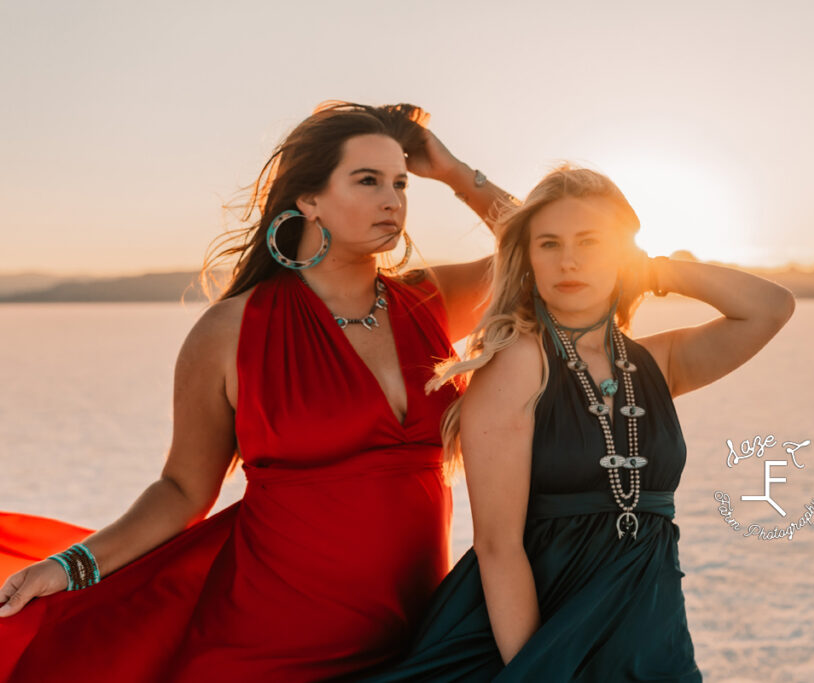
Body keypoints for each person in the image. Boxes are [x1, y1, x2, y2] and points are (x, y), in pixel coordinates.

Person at [0, 101, 515, 681]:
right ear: (309, 198)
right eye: (367, 180)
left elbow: (552, 253)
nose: (393, 199)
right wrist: (73, 567)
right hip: (269, 646)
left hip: (417, 640)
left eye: (399, 182)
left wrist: (451, 171)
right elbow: (181, 490)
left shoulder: (428, 303)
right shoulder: (230, 332)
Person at [357, 166, 796, 682]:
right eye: (549, 244)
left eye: (591, 242)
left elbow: (770, 308)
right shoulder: (519, 362)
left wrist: (655, 271)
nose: (568, 260)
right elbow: (499, 548)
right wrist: (538, 671)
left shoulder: (656, 363)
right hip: (544, 634)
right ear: (528, 260)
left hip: (651, 631)